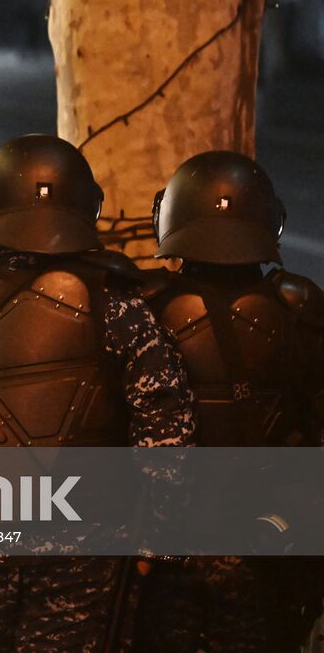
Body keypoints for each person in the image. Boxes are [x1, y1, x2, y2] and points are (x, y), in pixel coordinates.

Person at [0, 134, 196, 652]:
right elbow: (167, 440)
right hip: (81, 562)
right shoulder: (119, 305)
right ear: (85, 207)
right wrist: (153, 547)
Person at [133, 151, 324, 652]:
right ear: (269, 220)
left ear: (169, 217)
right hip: (271, 539)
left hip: (169, 544)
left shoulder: (144, 306)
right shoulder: (299, 306)